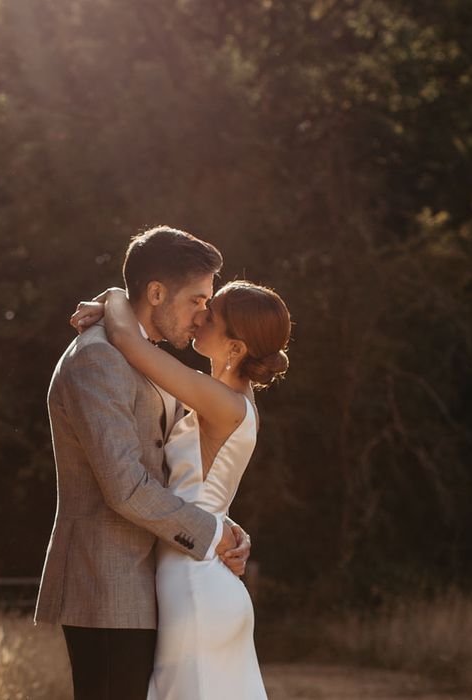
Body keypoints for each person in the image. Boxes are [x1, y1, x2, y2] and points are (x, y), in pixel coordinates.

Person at [34, 226, 252, 700]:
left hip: (145, 585)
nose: (203, 314)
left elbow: (166, 471)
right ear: (156, 292)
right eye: (196, 300)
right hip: (105, 586)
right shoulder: (98, 359)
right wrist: (210, 534)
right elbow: (126, 487)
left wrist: (223, 524)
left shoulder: (134, 356)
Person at [72, 278, 291, 699]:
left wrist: (116, 296)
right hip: (199, 576)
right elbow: (204, 491)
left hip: (195, 586)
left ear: (235, 348)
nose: (200, 317)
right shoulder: (227, 400)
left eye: (213, 317)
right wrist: (227, 527)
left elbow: (126, 340)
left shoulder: (221, 402)